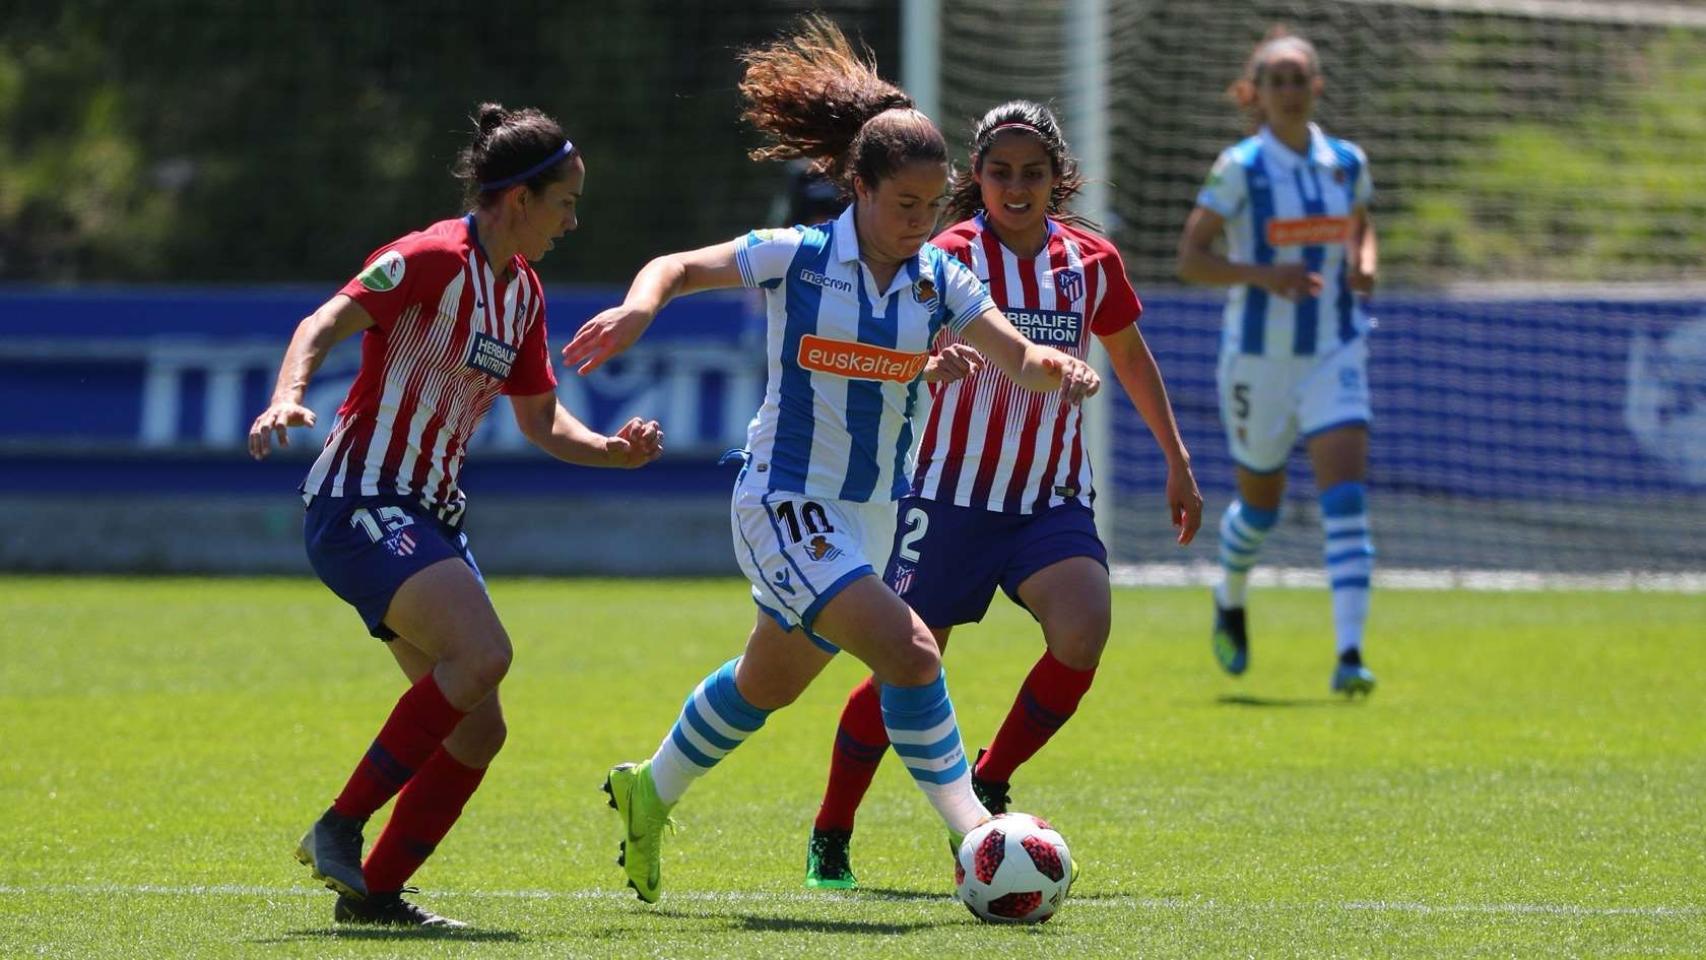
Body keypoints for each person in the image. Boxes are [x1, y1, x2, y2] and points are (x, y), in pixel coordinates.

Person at [560, 16, 1102, 904]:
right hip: (784, 500)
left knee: (764, 683)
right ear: (859, 188)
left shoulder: (940, 280)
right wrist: (637, 307)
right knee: (913, 652)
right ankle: (980, 837)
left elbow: (1015, 353)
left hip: (873, 517)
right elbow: (677, 265)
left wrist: (1056, 367)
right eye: (903, 205)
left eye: (932, 208)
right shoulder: (799, 259)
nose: (919, 223)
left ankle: (646, 792)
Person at [247, 102, 663, 928]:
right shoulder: (431, 257)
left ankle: (374, 896)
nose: (572, 221)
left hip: (429, 516)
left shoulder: (524, 295)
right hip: (360, 499)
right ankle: (339, 825)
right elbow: (323, 320)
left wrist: (611, 449)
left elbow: (545, 425)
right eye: (566, 203)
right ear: (518, 200)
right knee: (483, 654)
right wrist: (287, 397)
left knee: (478, 732)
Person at [801, 100, 1205, 889]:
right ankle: (832, 828)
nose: (1015, 187)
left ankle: (989, 777)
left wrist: (1176, 459)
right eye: (999, 172)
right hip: (944, 499)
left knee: (1084, 628)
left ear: (1059, 179)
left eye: (1032, 173)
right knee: (903, 668)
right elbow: (883, 339)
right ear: (975, 179)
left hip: (1048, 499)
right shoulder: (944, 254)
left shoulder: (1089, 260)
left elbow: (1129, 355)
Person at [1176, 28, 1380, 696]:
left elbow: (1361, 223)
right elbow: (1192, 258)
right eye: (1278, 80)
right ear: (1257, 93)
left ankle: (1349, 655)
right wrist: (1266, 275)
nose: (1290, 90)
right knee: (1260, 508)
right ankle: (1230, 594)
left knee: (1345, 498)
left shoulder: (1345, 161)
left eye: (1301, 78)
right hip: (1257, 361)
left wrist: (1364, 262)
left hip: (1333, 349)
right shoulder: (1240, 168)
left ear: (1317, 87)